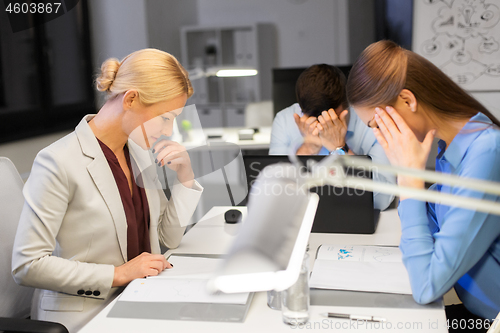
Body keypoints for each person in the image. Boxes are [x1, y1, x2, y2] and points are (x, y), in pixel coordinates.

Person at [12, 49, 203, 332]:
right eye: (165, 117)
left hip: (140, 300)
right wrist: (118, 274)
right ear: (131, 99)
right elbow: (27, 265)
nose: (169, 130)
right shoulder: (58, 161)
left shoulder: (137, 152)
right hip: (84, 314)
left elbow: (167, 237)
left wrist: (185, 177)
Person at [346, 40, 500, 330]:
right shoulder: (449, 150)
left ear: (407, 100)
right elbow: (431, 233)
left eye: (379, 125)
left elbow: (428, 285)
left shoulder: (487, 151)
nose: (381, 138)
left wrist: (409, 184)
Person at [269, 64, 395, 210]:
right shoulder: (285, 120)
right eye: (314, 117)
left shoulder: (370, 122)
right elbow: (273, 192)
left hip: (352, 214)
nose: (322, 125)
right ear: (301, 109)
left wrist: (340, 149)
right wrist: (307, 148)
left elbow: (382, 200)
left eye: (330, 117)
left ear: (346, 105)